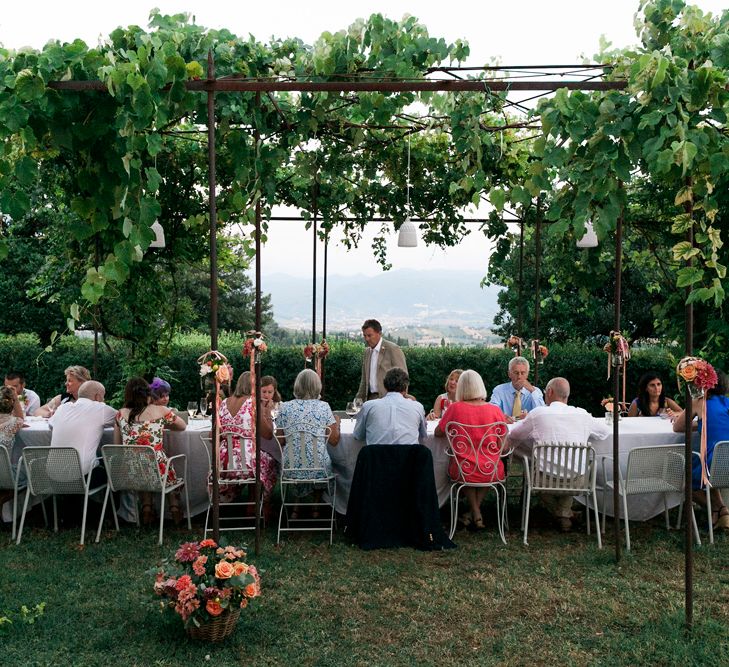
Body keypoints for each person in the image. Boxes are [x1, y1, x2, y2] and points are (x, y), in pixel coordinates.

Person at [508, 376, 611, 532]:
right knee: (571, 468)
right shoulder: (582, 415)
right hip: (578, 482)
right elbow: (604, 433)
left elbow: (514, 435)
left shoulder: (538, 414)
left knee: (538, 472)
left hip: (543, 482)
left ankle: (563, 514)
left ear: (549, 392)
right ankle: (566, 515)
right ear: (567, 395)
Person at [435, 369, 509, 530]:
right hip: (491, 469)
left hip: (463, 468)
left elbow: (438, 432)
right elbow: (505, 446)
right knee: (485, 469)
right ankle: (476, 512)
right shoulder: (495, 410)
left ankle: (474, 512)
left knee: (467, 466)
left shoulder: (455, 408)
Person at [115, 377, 186, 525]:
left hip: (130, 471)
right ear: (148, 393)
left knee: (141, 463)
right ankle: (174, 508)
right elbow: (182, 426)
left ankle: (147, 509)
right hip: (157, 469)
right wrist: (161, 425)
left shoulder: (120, 414)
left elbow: (116, 445)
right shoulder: (161, 411)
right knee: (162, 464)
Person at [276, 369, 340, 518]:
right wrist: (336, 422)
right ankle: (316, 506)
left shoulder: (285, 407)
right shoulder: (323, 407)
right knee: (317, 460)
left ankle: (296, 507)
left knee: (300, 458)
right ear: (317, 386)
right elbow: (334, 441)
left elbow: (280, 440)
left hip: (291, 468)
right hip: (319, 469)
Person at [672, 370, 729, 530]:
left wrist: (699, 422)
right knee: (707, 465)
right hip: (725, 462)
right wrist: (702, 423)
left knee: (686, 482)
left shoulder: (699, 402)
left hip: (713, 464)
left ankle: (717, 509)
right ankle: (722, 511)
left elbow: (678, 427)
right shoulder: (727, 403)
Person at [217, 371, 278, 507]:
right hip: (248, 463)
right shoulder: (253, 404)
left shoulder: (224, 402)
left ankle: (251, 500)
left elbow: (214, 435)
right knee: (270, 461)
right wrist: (267, 412)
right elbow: (268, 434)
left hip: (223, 463)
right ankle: (259, 504)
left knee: (259, 457)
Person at [49, 380, 117, 485]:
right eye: (103, 397)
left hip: (53, 477)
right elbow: (123, 419)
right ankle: (105, 502)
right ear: (98, 396)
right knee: (114, 466)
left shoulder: (62, 408)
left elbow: (51, 424)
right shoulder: (101, 409)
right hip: (82, 478)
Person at [354, 367, 427, 445]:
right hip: (408, 456)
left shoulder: (368, 406)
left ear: (385, 386)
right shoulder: (417, 406)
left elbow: (358, 436)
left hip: (377, 456)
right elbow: (423, 434)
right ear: (406, 387)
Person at [355, 319, 408, 402]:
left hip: (388, 400)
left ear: (379, 333)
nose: (367, 339)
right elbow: (364, 381)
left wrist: (401, 402)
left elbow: (404, 378)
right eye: (364, 336)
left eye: (369, 335)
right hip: (370, 400)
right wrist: (357, 401)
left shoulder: (393, 349)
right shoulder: (367, 352)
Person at [489, 356, 544, 421]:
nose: (519, 377)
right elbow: (492, 411)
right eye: (516, 373)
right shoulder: (499, 390)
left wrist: (532, 390)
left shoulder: (535, 392)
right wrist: (502, 417)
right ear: (509, 374)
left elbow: (542, 414)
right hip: (505, 429)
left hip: (528, 430)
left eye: (523, 373)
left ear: (527, 374)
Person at [0, 386, 25, 511]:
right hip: (5, 478)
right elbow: (21, 417)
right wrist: (16, 398)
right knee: (30, 468)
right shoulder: (13, 423)